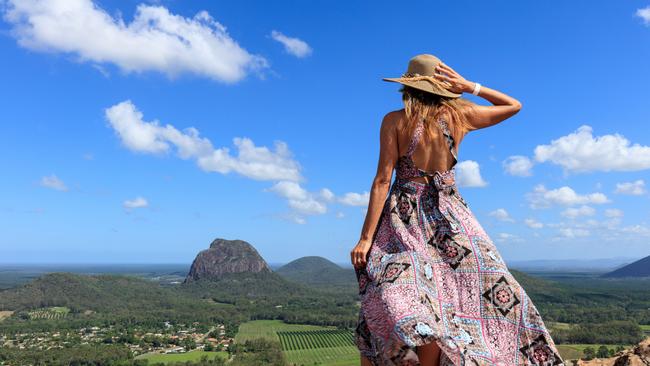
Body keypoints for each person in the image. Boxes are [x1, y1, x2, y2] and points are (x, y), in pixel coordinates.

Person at [349, 54, 565, 366]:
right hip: (450, 214)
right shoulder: (459, 115)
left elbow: (383, 180)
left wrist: (366, 238)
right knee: (462, 291)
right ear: (442, 87)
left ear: (408, 88)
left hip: (405, 215)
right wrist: (471, 86)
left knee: (398, 293)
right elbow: (513, 105)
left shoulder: (395, 121)